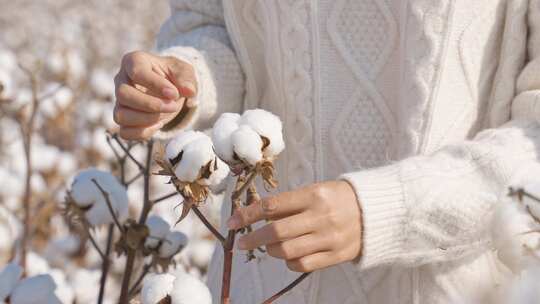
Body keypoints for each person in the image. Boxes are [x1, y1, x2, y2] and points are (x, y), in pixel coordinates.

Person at [113, 1, 540, 303]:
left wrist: (385, 209)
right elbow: (214, 22)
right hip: (259, 281)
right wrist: (187, 83)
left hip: (458, 289)